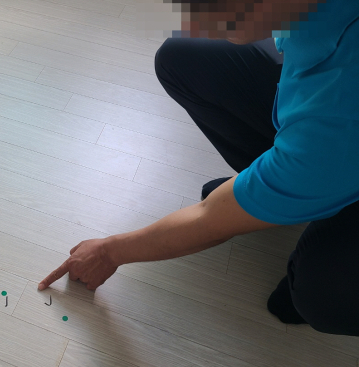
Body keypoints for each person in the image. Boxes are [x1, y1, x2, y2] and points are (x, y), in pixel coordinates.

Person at [38, 0, 359, 336]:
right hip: (328, 133)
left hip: (337, 137)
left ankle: (303, 197)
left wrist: (107, 252)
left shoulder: (336, 120)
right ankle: (288, 187)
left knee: (321, 292)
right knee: (182, 57)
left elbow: (209, 220)